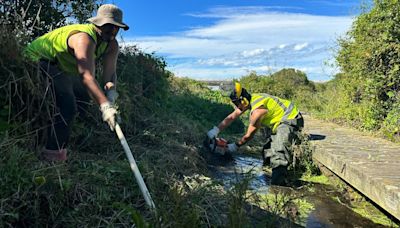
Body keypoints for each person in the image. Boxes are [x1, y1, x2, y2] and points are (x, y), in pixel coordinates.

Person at [24, 4, 129, 161]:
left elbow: (110, 74)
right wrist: (105, 107)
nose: (113, 30)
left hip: (63, 68)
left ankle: (69, 137)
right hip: (39, 60)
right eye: (108, 25)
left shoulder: (111, 44)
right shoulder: (84, 38)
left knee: (83, 98)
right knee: (68, 104)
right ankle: (52, 154)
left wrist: (111, 94)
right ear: (97, 23)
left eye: (116, 27)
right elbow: (87, 76)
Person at [207, 82, 304, 185]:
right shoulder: (252, 99)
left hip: (290, 117)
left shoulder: (257, 112)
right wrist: (215, 130)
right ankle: (268, 173)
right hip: (278, 121)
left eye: (236, 103)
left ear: (243, 100)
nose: (236, 106)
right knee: (266, 151)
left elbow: (249, 135)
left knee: (278, 150)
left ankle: (279, 184)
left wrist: (235, 146)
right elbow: (231, 117)